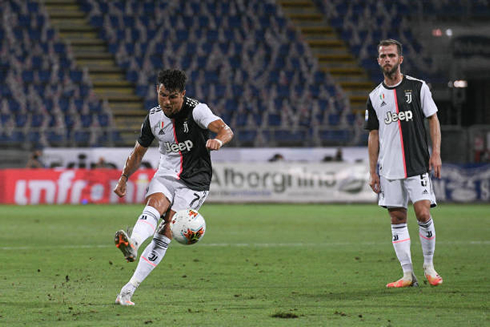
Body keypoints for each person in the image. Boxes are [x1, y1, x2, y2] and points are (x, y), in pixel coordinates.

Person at [113, 69, 234, 305]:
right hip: (167, 173)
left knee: (167, 229)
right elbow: (138, 152)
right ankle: (133, 245)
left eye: (173, 97)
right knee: (154, 205)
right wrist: (124, 177)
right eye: (162, 95)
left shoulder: (197, 110)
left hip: (194, 182)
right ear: (157, 92)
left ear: (183, 95)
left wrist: (218, 140)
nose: (166, 102)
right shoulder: (153, 117)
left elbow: (225, 129)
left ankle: (129, 289)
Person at [364, 39, 443, 288]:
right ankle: (408, 275)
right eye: (383, 56)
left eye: (391, 55)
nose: (387, 59)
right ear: (378, 61)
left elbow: (433, 119)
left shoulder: (418, 87)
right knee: (397, 218)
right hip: (388, 169)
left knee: (422, 212)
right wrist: (372, 171)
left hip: (417, 164)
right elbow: (373, 135)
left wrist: (436, 153)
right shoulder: (375, 96)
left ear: (400, 59)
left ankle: (429, 266)